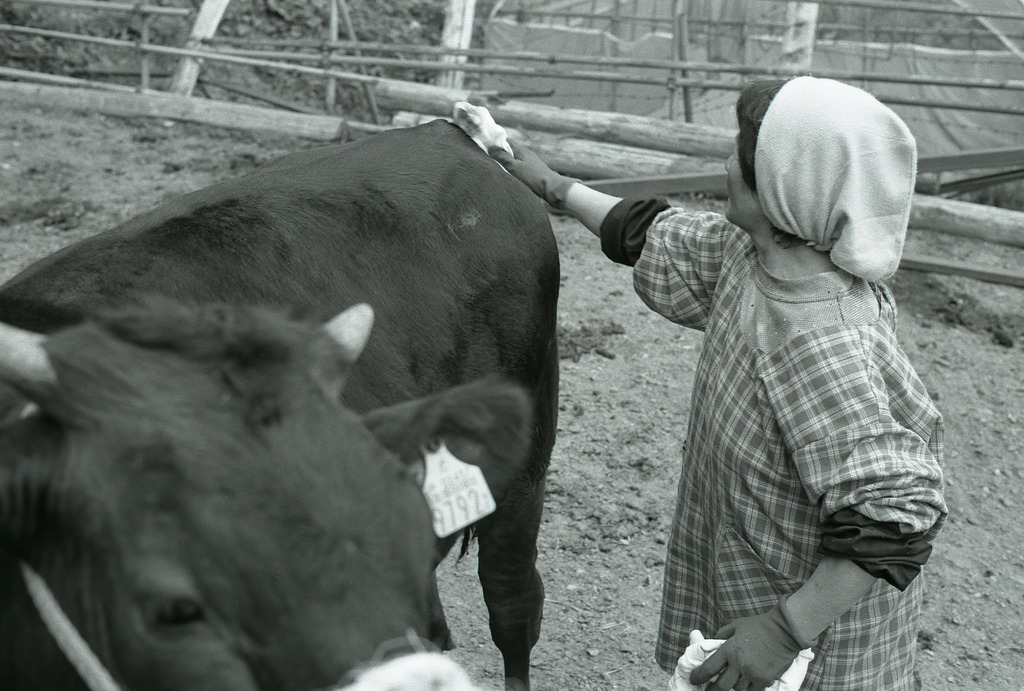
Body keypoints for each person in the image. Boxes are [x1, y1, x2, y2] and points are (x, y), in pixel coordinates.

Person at [468, 76, 947, 690]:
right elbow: (653, 236)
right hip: (756, 579)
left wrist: (784, 629)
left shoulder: (820, 343)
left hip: (817, 646)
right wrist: (553, 186)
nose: (725, 162)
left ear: (783, 191)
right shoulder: (752, 258)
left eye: (742, 156)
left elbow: (894, 516)